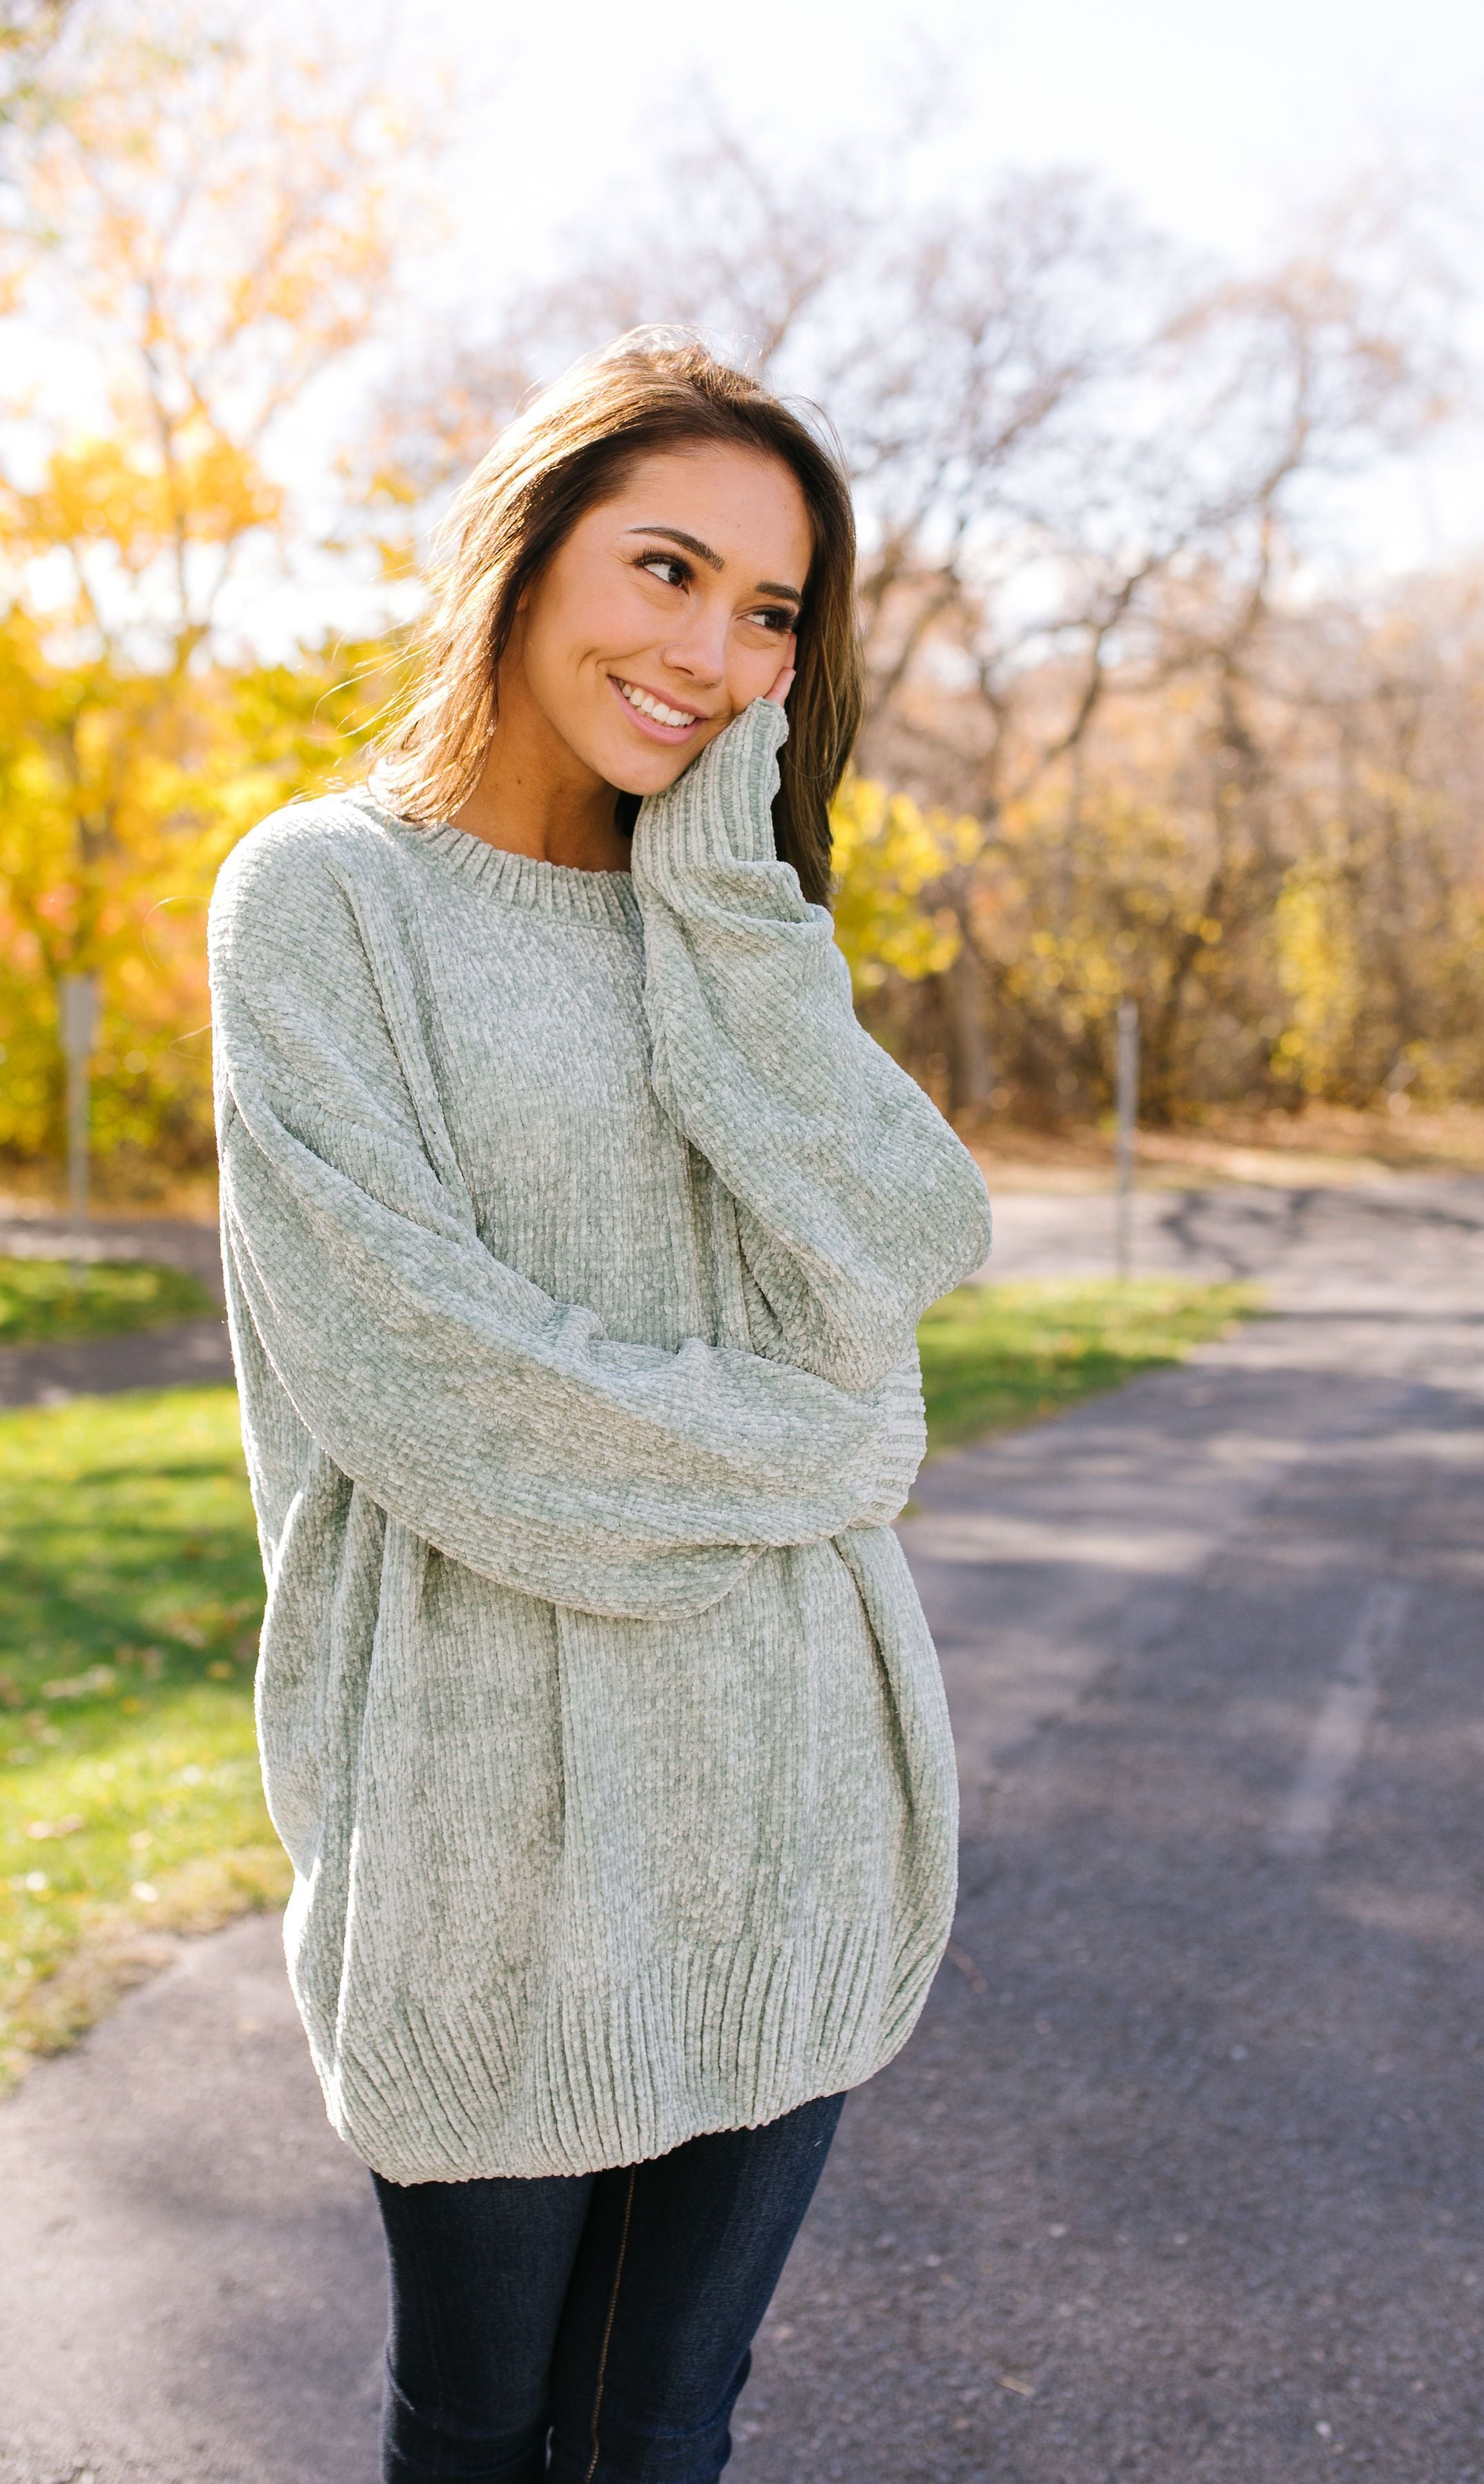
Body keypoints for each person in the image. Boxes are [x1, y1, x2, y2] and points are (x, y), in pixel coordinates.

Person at [207, 330, 991, 2484]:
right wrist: (813, 1454)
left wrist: (736, 918)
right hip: (486, 1841)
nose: (714, 654)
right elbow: (434, 1392)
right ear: (532, 551)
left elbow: (907, 1250)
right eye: (666, 569)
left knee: (666, 2430)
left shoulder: (730, 921)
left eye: (771, 615)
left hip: (794, 1799)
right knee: (477, 2433)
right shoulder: (328, 901)